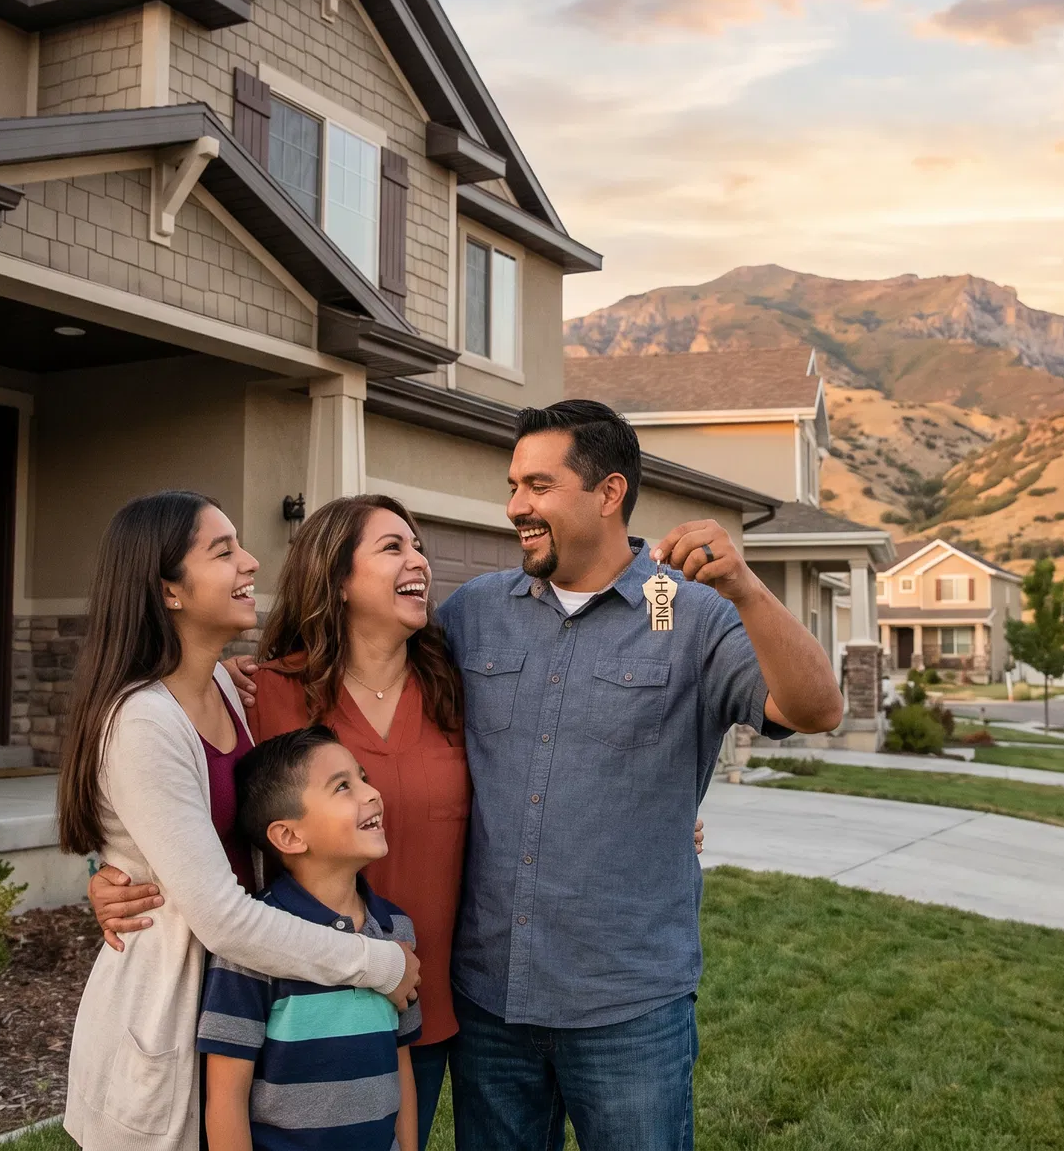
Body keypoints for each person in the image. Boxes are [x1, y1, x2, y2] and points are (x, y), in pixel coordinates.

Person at [87, 495, 711, 1144]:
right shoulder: (260, 693)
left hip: (433, 999)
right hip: (297, 1005)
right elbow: (194, 807)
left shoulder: (458, 687)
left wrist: (655, 817)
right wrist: (116, 867)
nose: (418, 559)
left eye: (418, 545)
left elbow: (555, 763)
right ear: (337, 579)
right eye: (393, 547)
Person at [437, 399, 844, 1150]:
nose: (515, 507)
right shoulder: (474, 613)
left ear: (609, 492)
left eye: (538, 486)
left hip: (628, 1009)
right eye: (514, 486)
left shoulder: (686, 614)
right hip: (493, 1000)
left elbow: (817, 709)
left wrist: (748, 589)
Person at [56, 490, 418, 1151]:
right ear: (168, 590)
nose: (251, 561)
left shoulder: (223, 686)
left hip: (242, 997)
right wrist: (378, 964)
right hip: (168, 1009)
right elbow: (219, 914)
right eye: (223, 551)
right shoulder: (141, 722)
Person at [198, 725, 422, 1151]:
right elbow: (225, 1098)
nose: (371, 793)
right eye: (343, 786)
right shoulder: (253, 945)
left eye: (364, 778)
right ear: (289, 836)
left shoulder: (395, 929)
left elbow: (402, 1065)